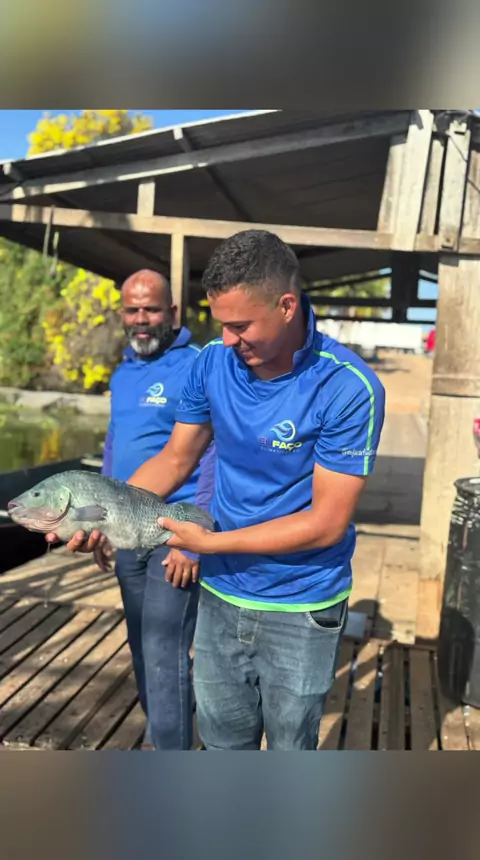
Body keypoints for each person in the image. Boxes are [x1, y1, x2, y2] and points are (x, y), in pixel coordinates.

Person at [49, 232, 385, 751]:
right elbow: (176, 459)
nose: (227, 340)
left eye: (240, 326)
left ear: (286, 306)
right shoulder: (211, 363)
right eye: (221, 324)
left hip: (301, 602)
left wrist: (207, 543)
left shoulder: (348, 387)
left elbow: (326, 523)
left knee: (291, 752)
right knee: (223, 746)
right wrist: (102, 513)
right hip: (222, 594)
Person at [92, 269, 215, 751]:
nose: (141, 319)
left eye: (151, 309)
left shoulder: (197, 366)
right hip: (126, 530)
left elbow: (214, 454)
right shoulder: (122, 373)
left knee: (164, 649)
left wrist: (195, 538)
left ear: (173, 313)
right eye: (132, 310)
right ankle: (167, 736)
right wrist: (101, 522)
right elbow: (113, 448)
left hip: (173, 533)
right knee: (143, 647)